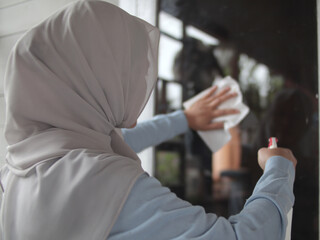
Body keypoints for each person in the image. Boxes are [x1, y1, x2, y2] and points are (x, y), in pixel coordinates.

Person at [0, 1, 297, 240]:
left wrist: (186, 118)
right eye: (123, 77)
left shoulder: (17, 168)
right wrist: (279, 169)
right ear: (90, 79)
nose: (133, 92)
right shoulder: (106, 184)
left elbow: (121, 141)